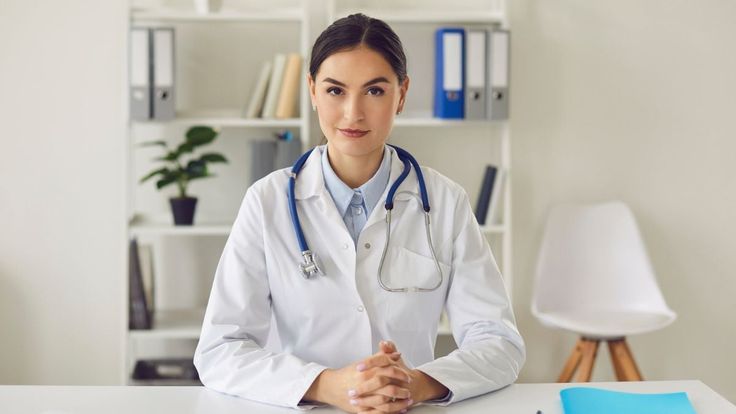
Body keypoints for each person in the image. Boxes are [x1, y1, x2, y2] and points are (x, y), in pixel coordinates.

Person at [193, 13, 525, 413]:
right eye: (335, 91)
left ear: (401, 94)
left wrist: (415, 384)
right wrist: (328, 386)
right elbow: (219, 349)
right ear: (312, 91)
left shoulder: (444, 201)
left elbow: (499, 341)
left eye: (374, 91)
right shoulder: (267, 201)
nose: (353, 113)